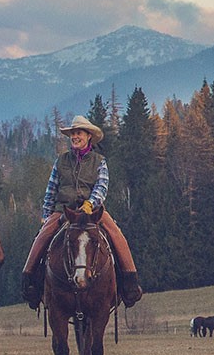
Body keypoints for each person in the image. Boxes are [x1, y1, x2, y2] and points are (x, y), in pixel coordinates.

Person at [21, 117, 144, 310]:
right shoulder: (61, 161)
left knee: (116, 233)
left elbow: (101, 187)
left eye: (79, 133)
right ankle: (29, 282)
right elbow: (51, 190)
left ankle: (130, 283)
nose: (75, 136)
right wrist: (46, 214)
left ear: (89, 136)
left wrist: (90, 204)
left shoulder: (99, 162)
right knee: (43, 236)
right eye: (73, 133)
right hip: (64, 210)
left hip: (92, 211)